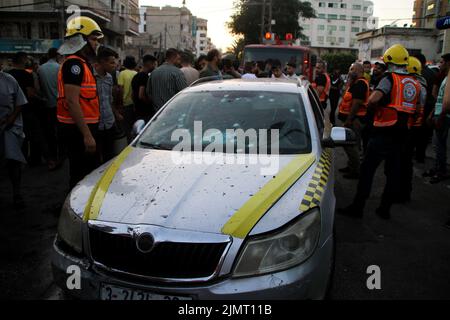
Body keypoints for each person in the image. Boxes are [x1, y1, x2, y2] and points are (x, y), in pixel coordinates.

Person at [339, 44, 422, 220]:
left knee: (367, 171)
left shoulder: (390, 78)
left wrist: (374, 107)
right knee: (392, 173)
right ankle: (385, 209)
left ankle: (358, 207)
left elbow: (373, 100)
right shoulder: (415, 83)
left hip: (384, 131)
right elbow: (417, 108)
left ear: (389, 60)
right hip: (403, 134)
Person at [57, 16, 103, 188]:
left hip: (83, 127)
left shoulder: (83, 64)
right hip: (77, 130)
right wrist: (87, 135)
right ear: (80, 40)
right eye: (93, 39)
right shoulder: (74, 65)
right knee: (80, 177)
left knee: (87, 174)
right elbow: (71, 101)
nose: (96, 43)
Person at [398, 56, 427, 202]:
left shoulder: (415, 85)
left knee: (404, 161)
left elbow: (414, 108)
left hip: (411, 127)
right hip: (415, 126)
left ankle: (403, 193)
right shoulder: (421, 83)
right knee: (405, 161)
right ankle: (404, 191)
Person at [7, 52, 43, 165]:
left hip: (11, 110)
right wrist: (41, 98)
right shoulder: (26, 75)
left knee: (18, 137)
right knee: (33, 135)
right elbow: (30, 93)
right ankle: (34, 160)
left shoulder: (8, 75)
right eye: (27, 59)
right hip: (26, 109)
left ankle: (19, 159)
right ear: (23, 60)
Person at [0, 68, 28, 208]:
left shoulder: (9, 80)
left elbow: (20, 102)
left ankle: (17, 193)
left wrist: (10, 119)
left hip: (10, 127)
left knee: (13, 161)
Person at [338, 63, 369, 179]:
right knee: (349, 145)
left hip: (354, 121)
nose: (349, 71)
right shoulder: (355, 82)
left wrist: (349, 120)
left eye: (351, 69)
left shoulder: (360, 83)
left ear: (358, 70)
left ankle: (355, 170)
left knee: (352, 145)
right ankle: (351, 165)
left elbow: (356, 103)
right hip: (351, 119)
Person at [94, 47, 121, 164]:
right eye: (111, 62)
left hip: (109, 122)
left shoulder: (110, 77)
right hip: (96, 124)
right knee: (95, 158)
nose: (114, 65)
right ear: (102, 62)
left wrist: (116, 114)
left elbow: (110, 99)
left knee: (109, 156)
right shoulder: (90, 76)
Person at [38, 48, 62, 170]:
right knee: (60, 132)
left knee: (50, 133)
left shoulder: (40, 69)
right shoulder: (59, 68)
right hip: (60, 105)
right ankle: (61, 156)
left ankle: (53, 157)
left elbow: (39, 89)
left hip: (47, 105)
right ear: (57, 56)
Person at [426, 61, 450, 184]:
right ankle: (437, 168)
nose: (440, 65)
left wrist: (441, 116)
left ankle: (441, 171)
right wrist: (432, 113)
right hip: (439, 114)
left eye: (442, 62)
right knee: (437, 145)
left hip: (444, 116)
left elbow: (447, 103)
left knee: (440, 145)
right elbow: (440, 100)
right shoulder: (445, 78)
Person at [414, 54, 436, 163]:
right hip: (428, 106)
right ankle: (419, 155)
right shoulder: (431, 73)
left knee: (420, 133)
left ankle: (419, 156)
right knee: (423, 134)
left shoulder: (422, 74)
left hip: (424, 107)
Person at [132, 54, 157, 122]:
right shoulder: (144, 77)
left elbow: (133, 93)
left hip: (137, 110)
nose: (155, 67)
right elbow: (141, 95)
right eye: (154, 64)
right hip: (145, 111)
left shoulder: (135, 76)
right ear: (150, 64)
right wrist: (149, 102)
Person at [118, 56, 138, 142]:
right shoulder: (136, 73)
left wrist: (120, 104)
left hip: (125, 104)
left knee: (126, 128)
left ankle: (127, 144)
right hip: (134, 104)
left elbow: (120, 89)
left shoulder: (122, 73)